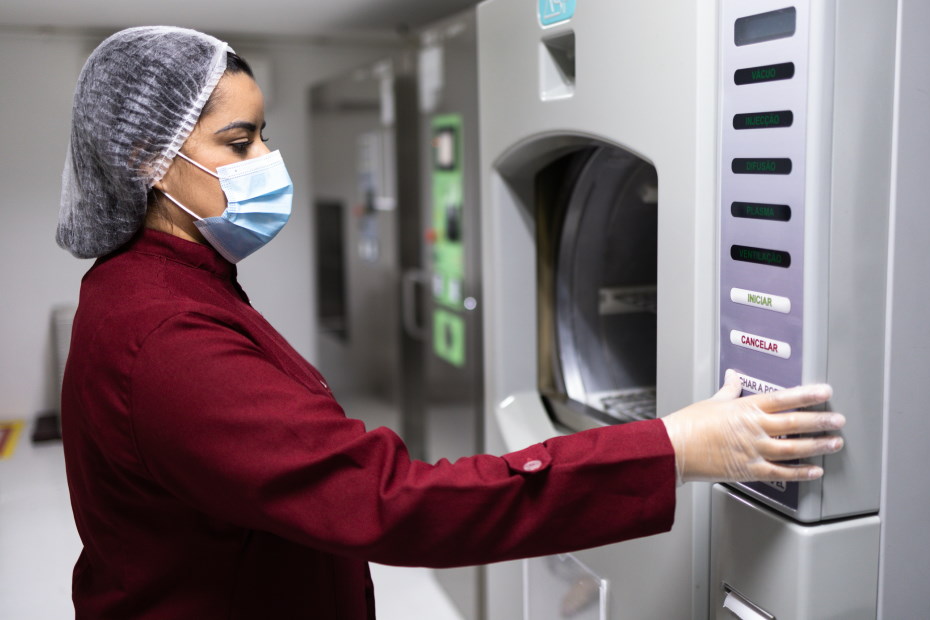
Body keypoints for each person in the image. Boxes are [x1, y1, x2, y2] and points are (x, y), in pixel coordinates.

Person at [57, 26, 845, 619]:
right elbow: (390, 502)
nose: (268, 159)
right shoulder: (164, 334)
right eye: (239, 141)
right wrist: (670, 447)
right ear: (145, 161)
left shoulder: (152, 287)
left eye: (265, 133)